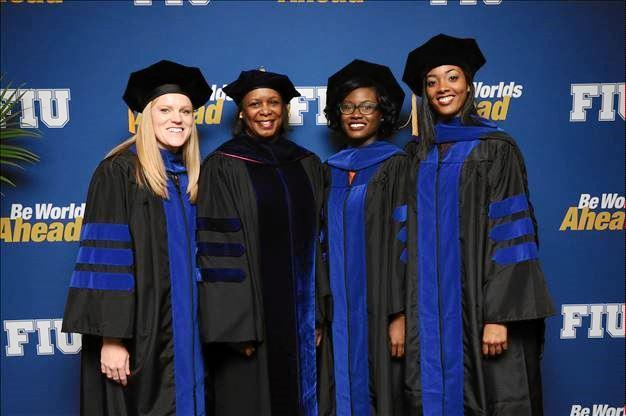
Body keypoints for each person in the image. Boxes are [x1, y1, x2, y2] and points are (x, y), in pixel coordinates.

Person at [401, 34, 555, 416]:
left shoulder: (495, 149)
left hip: (482, 312)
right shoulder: (412, 158)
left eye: (452, 77)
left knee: (497, 397)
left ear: (469, 84)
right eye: (432, 81)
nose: (442, 88)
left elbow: (513, 238)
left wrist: (499, 317)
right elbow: (400, 244)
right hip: (430, 319)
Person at [62, 60, 212, 415]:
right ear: (145, 116)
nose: (177, 119)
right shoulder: (118, 172)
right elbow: (104, 260)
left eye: (185, 111)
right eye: (165, 109)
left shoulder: (192, 180)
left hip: (191, 332)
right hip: (143, 332)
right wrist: (112, 338)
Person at [195, 68, 333, 416]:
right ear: (242, 111)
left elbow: (318, 244)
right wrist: (235, 328)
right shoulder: (223, 166)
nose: (266, 110)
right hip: (248, 326)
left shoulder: (307, 165)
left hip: (299, 322)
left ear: (284, 109)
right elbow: (218, 252)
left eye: (273, 102)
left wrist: (315, 313)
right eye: (256, 103)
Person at [324, 59, 409, 415]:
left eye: (367, 106)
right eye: (348, 106)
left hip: (380, 308)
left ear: (383, 112)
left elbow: (407, 245)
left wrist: (400, 314)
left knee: (383, 392)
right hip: (336, 312)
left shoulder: (398, 166)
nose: (356, 113)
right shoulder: (327, 171)